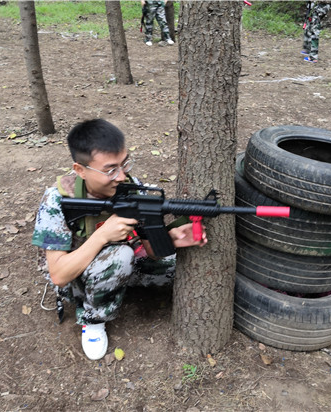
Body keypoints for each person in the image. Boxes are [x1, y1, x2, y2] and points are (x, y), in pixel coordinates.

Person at [32, 119, 207, 360]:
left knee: (179, 264)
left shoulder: (130, 187)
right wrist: (103, 235)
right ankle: (93, 319)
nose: (121, 175)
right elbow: (59, 274)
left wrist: (171, 239)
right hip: (74, 278)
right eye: (110, 169)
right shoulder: (58, 200)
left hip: (123, 262)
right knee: (120, 257)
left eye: (125, 164)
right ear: (80, 170)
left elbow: (150, 250)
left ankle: (115, 284)